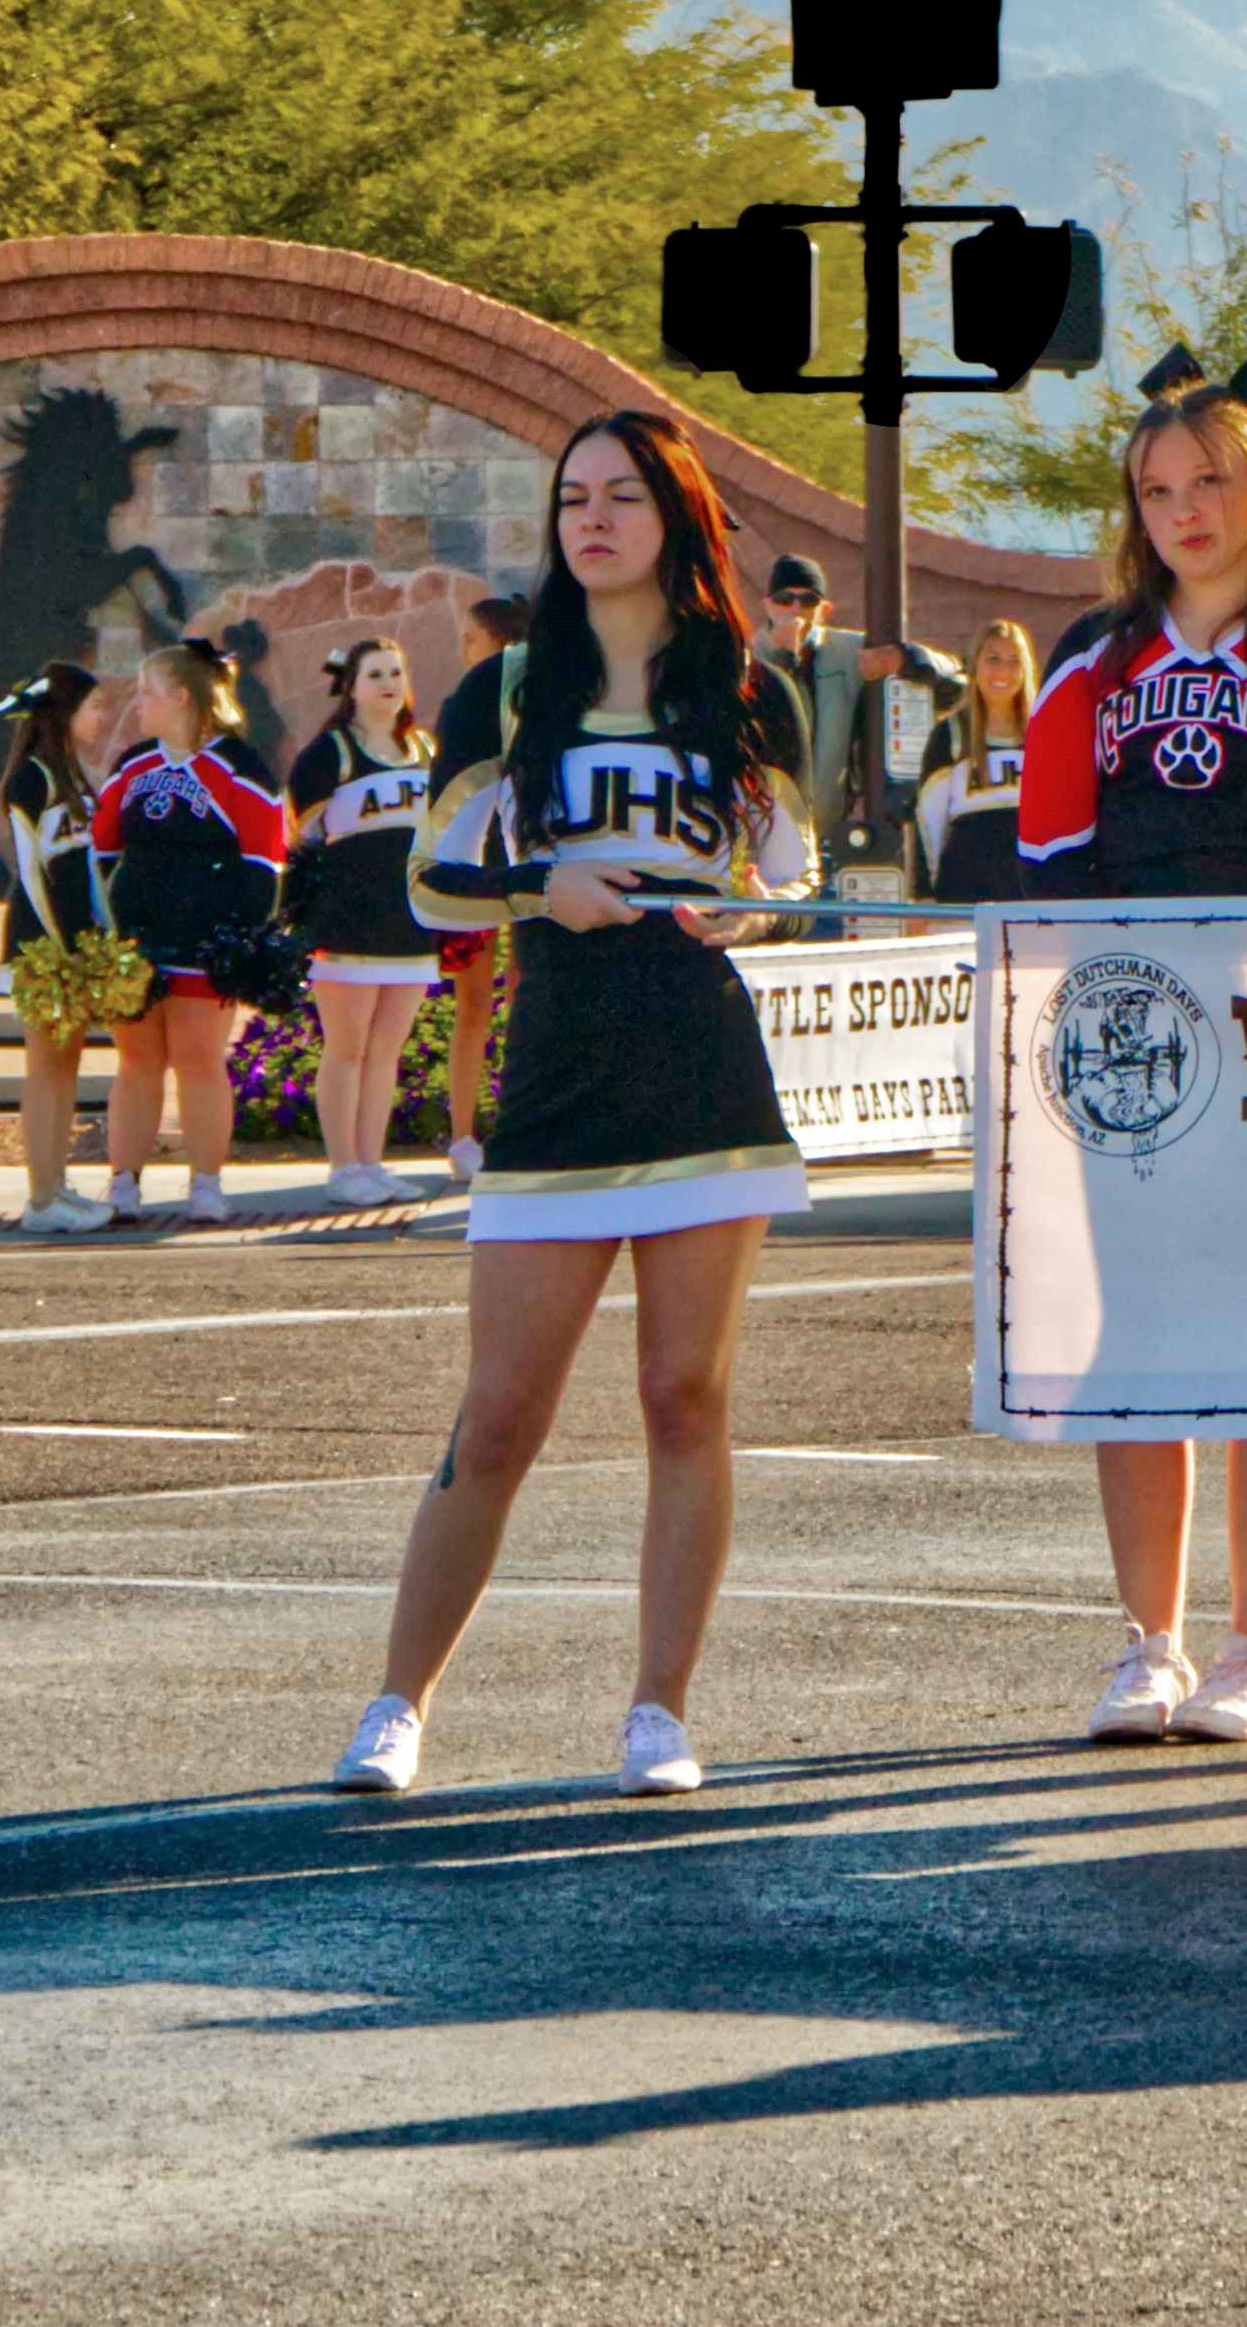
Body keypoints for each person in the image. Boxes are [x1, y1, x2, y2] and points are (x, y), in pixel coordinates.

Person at [330, 410, 817, 1801]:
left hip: (704, 1076)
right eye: (573, 499)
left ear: (676, 514)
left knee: (685, 1396)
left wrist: (755, 920)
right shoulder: (503, 691)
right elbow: (430, 887)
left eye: (620, 496)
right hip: (556, 1074)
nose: (592, 519)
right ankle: (398, 1702)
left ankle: (660, 1711)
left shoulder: (745, 688)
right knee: (500, 1413)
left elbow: (788, 878)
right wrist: (547, 890)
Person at [1018, 358, 1247, 1748]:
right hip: (1133, 1039)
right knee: (1141, 1329)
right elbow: (1051, 848)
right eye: (1159, 489)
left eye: (1212, 483)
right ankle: (1150, 1640)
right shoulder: (1091, 657)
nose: (1185, 510)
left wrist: (1245, 985)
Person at [91, 641, 285, 1229]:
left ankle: (206, 1184)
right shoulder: (134, 764)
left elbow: (265, 859)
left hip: (207, 940)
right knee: (136, 1061)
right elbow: (101, 848)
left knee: (200, 1061)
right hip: (138, 940)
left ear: (180, 697)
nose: (138, 703)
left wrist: (241, 941)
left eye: (147, 692)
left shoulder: (240, 766)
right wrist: (109, 931)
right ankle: (123, 1182)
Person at [286, 637, 438, 1207]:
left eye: (397, 672)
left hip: (409, 923)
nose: (389, 683)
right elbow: (298, 838)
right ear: (350, 687)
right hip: (346, 926)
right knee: (346, 1047)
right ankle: (342, 1166)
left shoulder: (425, 749)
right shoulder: (332, 753)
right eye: (375, 674)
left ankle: (372, 1163)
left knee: (386, 1050)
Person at [757, 551, 962, 866]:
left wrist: (904, 660)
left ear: (824, 609)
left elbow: (955, 678)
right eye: (785, 599)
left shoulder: (847, 651)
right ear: (768, 604)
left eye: (808, 600)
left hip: (827, 837)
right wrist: (784, 659)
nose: (796, 610)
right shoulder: (748, 657)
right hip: (762, 838)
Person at [5, 663, 115, 1235]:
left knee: (64, 1068)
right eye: (94, 706)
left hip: (74, 948)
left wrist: (104, 939)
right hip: (43, 949)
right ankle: (43, 1199)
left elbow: (88, 874)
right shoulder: (32, 778)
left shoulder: (71, 776)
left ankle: (56, 1184)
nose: (102, 716)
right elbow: (29, 875)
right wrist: (56, 954)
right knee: (46, 1069)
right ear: (64, 712)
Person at [439, 594, 526, 1184]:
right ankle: (462, 1134)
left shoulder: (542, 699)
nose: (463, 649)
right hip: (474, 869)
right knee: (473, 1005)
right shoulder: (461, 705)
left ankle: (519, 1123)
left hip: (524, 867)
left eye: (470, 638)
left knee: (527, 997)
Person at [914, 619, 1034, 903]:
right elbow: (927, 824)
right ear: (975, 665)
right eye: (993, 659)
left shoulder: (1046, 735)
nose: (1003, 671)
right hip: (964, 896)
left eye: (1014, 661)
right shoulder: (951, 735)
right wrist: (923, 896)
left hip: (1031, 898)